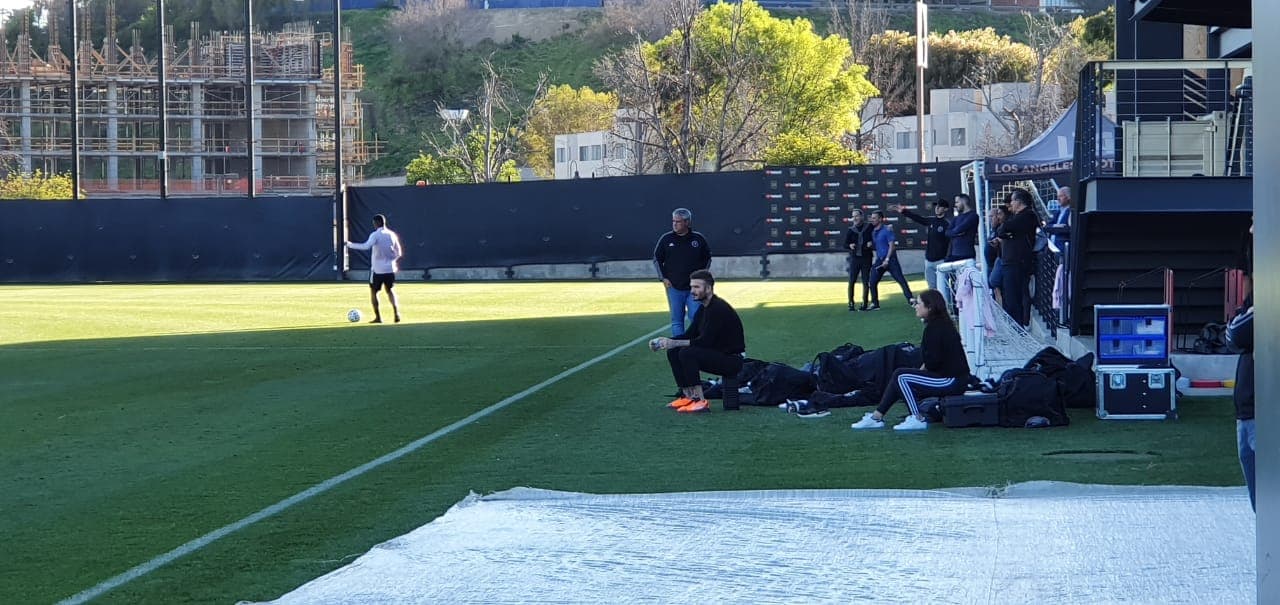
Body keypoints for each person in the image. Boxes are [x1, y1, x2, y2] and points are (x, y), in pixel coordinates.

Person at [851, 289, 971, 431]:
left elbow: (933, 362)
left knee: (901, 376)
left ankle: (916, 418)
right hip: (951, 378)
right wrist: (919, 372)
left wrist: (920, 370)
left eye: (918, 303)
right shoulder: (939, 325)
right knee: (901, 377)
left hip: (952, 380)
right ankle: (876, 416)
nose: (915, 306)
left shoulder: (936, 329)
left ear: (930, 307)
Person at [654, 270, 746, 414]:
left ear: (708, 288)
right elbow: (689, 335)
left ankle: (700, 402)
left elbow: (704, 342)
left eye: (697, 287)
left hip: (732, 360)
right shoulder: (704, 309)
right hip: (718, 353)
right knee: (673, 351)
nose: (692, 291)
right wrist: (663, 342)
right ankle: (687, 396)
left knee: (687, 353)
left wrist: (675, 343)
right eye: (691, 287)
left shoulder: (718, 309)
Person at [653, 208, 712, 337]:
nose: (674, 224)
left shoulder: (698, 239)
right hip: (674, 287)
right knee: (677, 321)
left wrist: (702, 277)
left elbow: (707, 258)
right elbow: (657, 259)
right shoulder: (666, 239)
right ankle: (678, 349)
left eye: (678, 222)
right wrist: (663, 278)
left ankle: (696, 346)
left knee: (696, 318)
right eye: (673, 221)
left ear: (687, 222)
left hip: (694, 288)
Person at [345, 213, 403, 324]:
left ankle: (378, 317)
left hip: (377, 270)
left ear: (375, 223)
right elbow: (399, 253)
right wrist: (391, 260)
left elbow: (366, 246)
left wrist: (350, 245)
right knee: (390, 290)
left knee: (374, 292)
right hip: (390, 269)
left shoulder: (375, 235)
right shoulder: (392, 235)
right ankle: (396, 314)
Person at [1226, 292, 1254, 511]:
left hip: (1263, 412)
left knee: (1269, 491)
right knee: (1260, 498)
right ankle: (1269, 544)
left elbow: (1235, 333)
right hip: (1247, 411)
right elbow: (1232, 337)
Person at [996, 189, 1038, 327]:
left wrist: (1008, 234)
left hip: (1018, 263)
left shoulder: (1027, 216)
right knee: (1010, 297)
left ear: (1019, 202)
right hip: (1011, 262)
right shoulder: (1017, 217)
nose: (1010, 205)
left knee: (1015, 298)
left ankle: (1018, 328)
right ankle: (1015, 327)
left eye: (1012, 201)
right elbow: (1002, 231)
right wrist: (1008, 234)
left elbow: (1005, 228)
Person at [893, 200, 951, 295]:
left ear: (945, 209)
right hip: (929, 260)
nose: (936, 208)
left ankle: (948, 308)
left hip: (941, 261)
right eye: (936, 206)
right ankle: (935, 308)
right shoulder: (932, 220)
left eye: (940, 206)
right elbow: (918, 218)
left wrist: (947, 258)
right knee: (932, 288)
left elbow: (951, 242)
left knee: (943, 287)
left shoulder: (947, 223)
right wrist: (904, 211)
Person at [869, 210, 914, 310]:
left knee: (900, 279)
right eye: (872, 218)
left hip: (891, 260)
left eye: (874, 218)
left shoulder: (887, 230)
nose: (872, 220)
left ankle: (911, 299)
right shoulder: (873, 232)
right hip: (880, 260)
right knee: (872, 281)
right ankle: (875, 304)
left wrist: (887, 259)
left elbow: (892, 246)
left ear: (880, 219)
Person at [941, 193, 979, 312]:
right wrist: (956, 233)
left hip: (966, 255)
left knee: (966, 285)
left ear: (964, 202)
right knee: (950, 281)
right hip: (954, 255)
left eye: (957, 202)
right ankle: (955, 310)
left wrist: (956, 232)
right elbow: (948, 232)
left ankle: (969, 310)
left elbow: (958, 229)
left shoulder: (973, 216)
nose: (955, 205)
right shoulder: (957, 218)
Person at [843, 209, 876, 311]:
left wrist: (872, 243)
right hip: (855, 259)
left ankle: (865, 303)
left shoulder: (869, 227)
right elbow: (844, 244)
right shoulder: (851, 230)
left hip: (866, 258)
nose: (855, 218)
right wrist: (850, 245)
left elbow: (877, 237)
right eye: (853, 216)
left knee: (866, 281)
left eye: (857, 216)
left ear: (862, 216)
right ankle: (851, 303)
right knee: (852, 281)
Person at [986, 205, 1009, 306]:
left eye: (992, 216)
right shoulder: (993, 230)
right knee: (994, 288)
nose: (990, 219)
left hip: (998, 262)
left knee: (996, 286)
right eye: (989, 217)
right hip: (990, 264)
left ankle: (1001, 311)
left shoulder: (1001, 229)